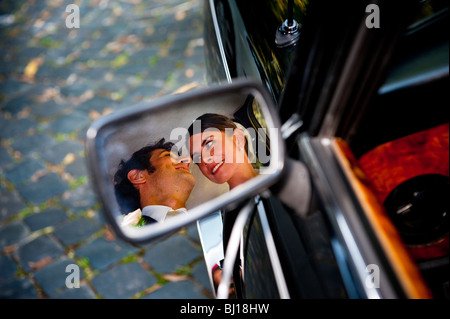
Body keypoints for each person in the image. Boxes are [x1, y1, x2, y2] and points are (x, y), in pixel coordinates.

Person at [187, 113, 259, 297]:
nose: (206, 160)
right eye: (197, 158)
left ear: (238, 139)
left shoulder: (280, 176)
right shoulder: (226, 218)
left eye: (209, 144)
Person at [114, 138, 195, 226]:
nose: (188, 160)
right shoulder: (130, 232)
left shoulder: (207, 218)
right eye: (168, 155)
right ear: (138, 177)